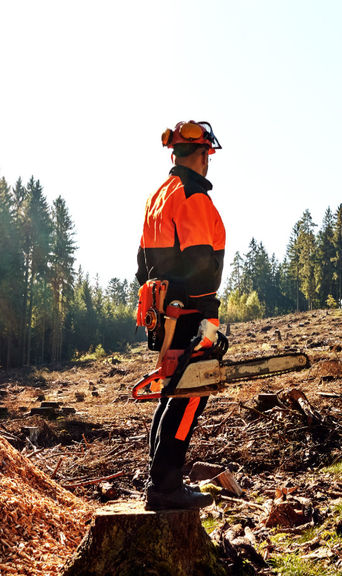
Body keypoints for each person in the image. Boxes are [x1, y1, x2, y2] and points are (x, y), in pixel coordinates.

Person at [135, 120, 225, 511]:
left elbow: (142, 263)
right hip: (188, 310)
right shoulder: (192, 196)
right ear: (202, 155)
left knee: (172, 391)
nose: (208, 162)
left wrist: (160, 303)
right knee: (190, 392)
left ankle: (160, 478)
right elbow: (201, 264)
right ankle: (167, 486)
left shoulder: (158, 196)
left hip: (163, 311)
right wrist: (209, 318)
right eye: (207, 156)